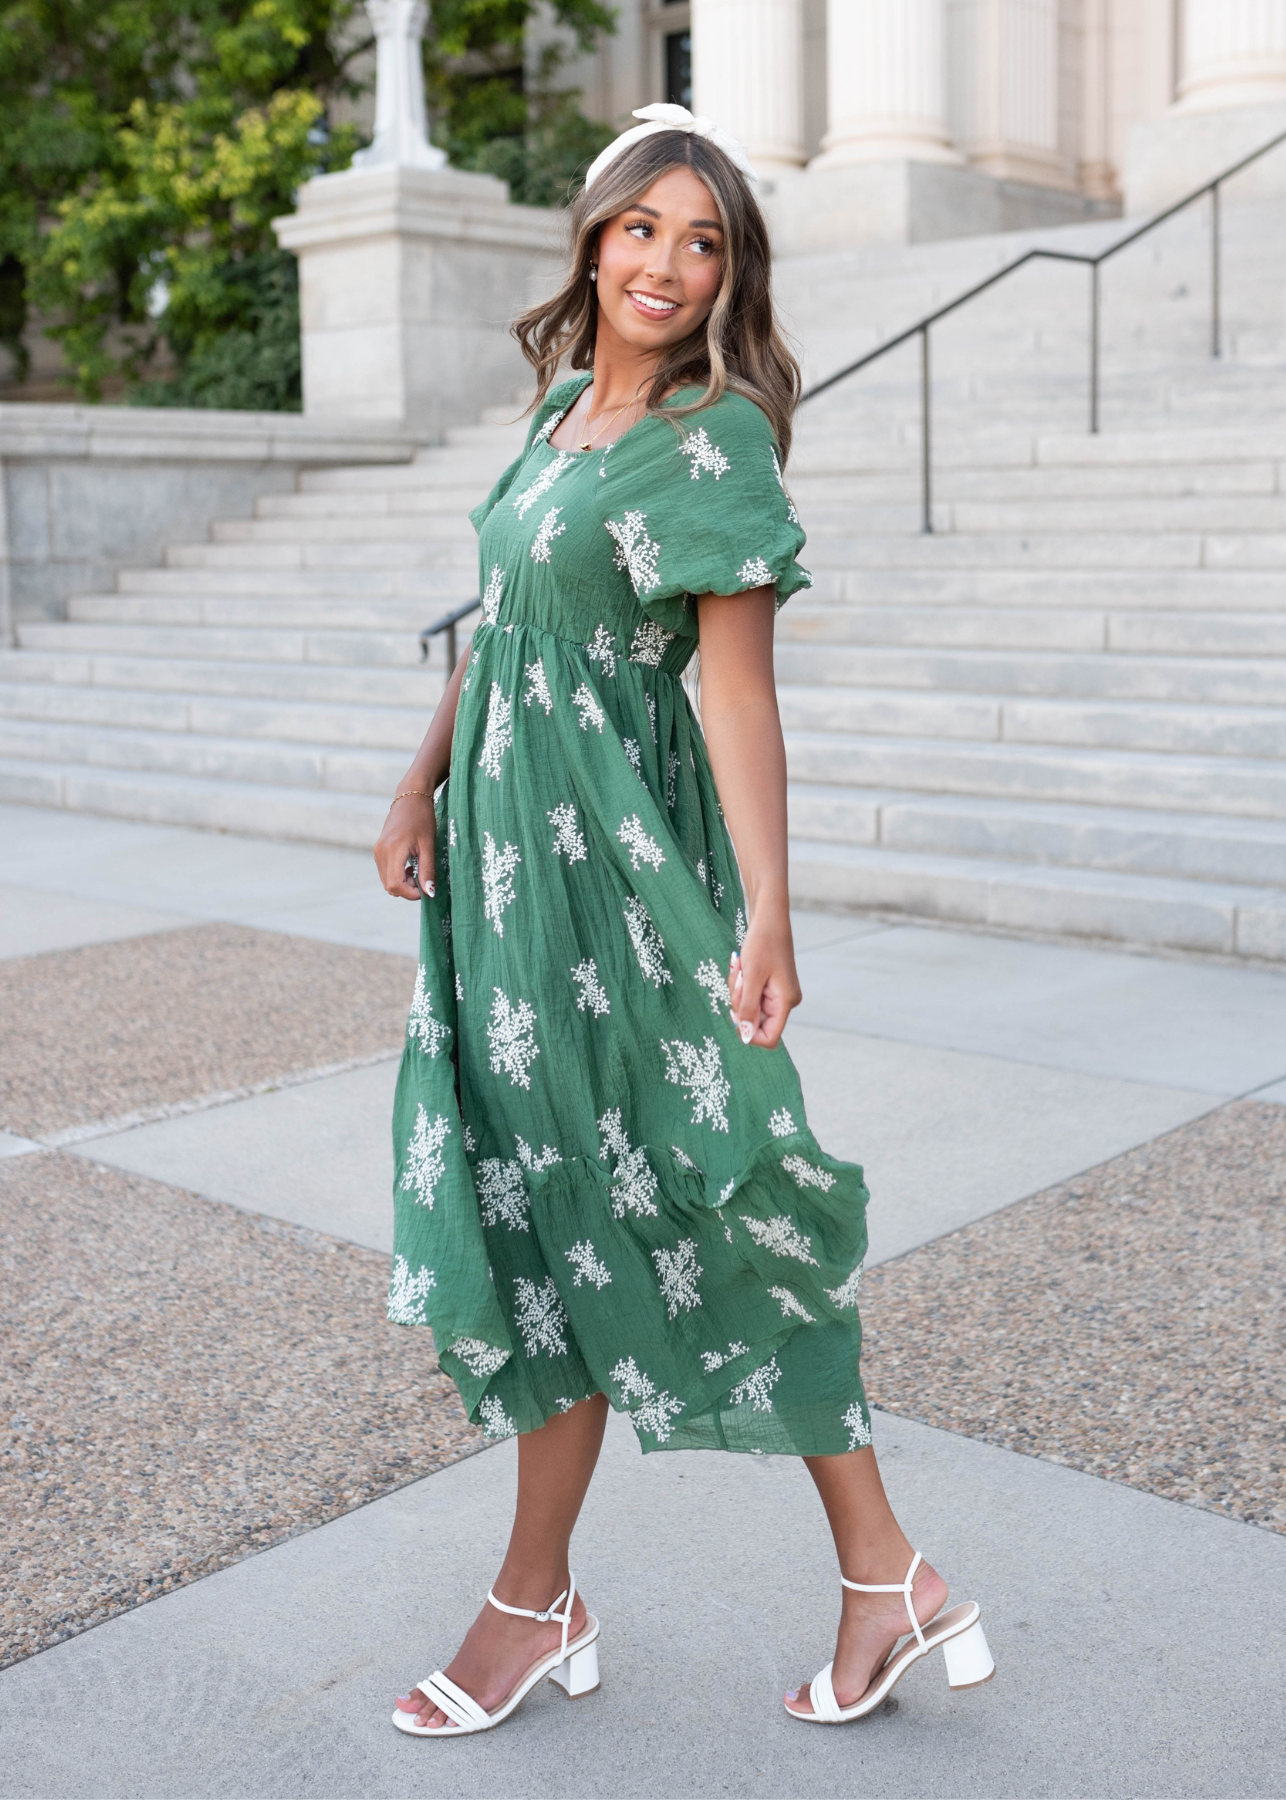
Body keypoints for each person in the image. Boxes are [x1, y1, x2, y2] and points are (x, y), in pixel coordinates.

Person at [373, 104, 993, 1737]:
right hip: (503, 885)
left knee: (705, 1192)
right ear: (592, 239)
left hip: (622, 880)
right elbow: (495, 625)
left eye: (701, 240)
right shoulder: (563, 410)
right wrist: (417, 780)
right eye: (641, 227)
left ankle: (857, 1575)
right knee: (539, 1211)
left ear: (731, 273)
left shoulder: (716, 442)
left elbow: (736, 697)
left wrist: (771, 912)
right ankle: (655, 1590)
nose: (664, 262)